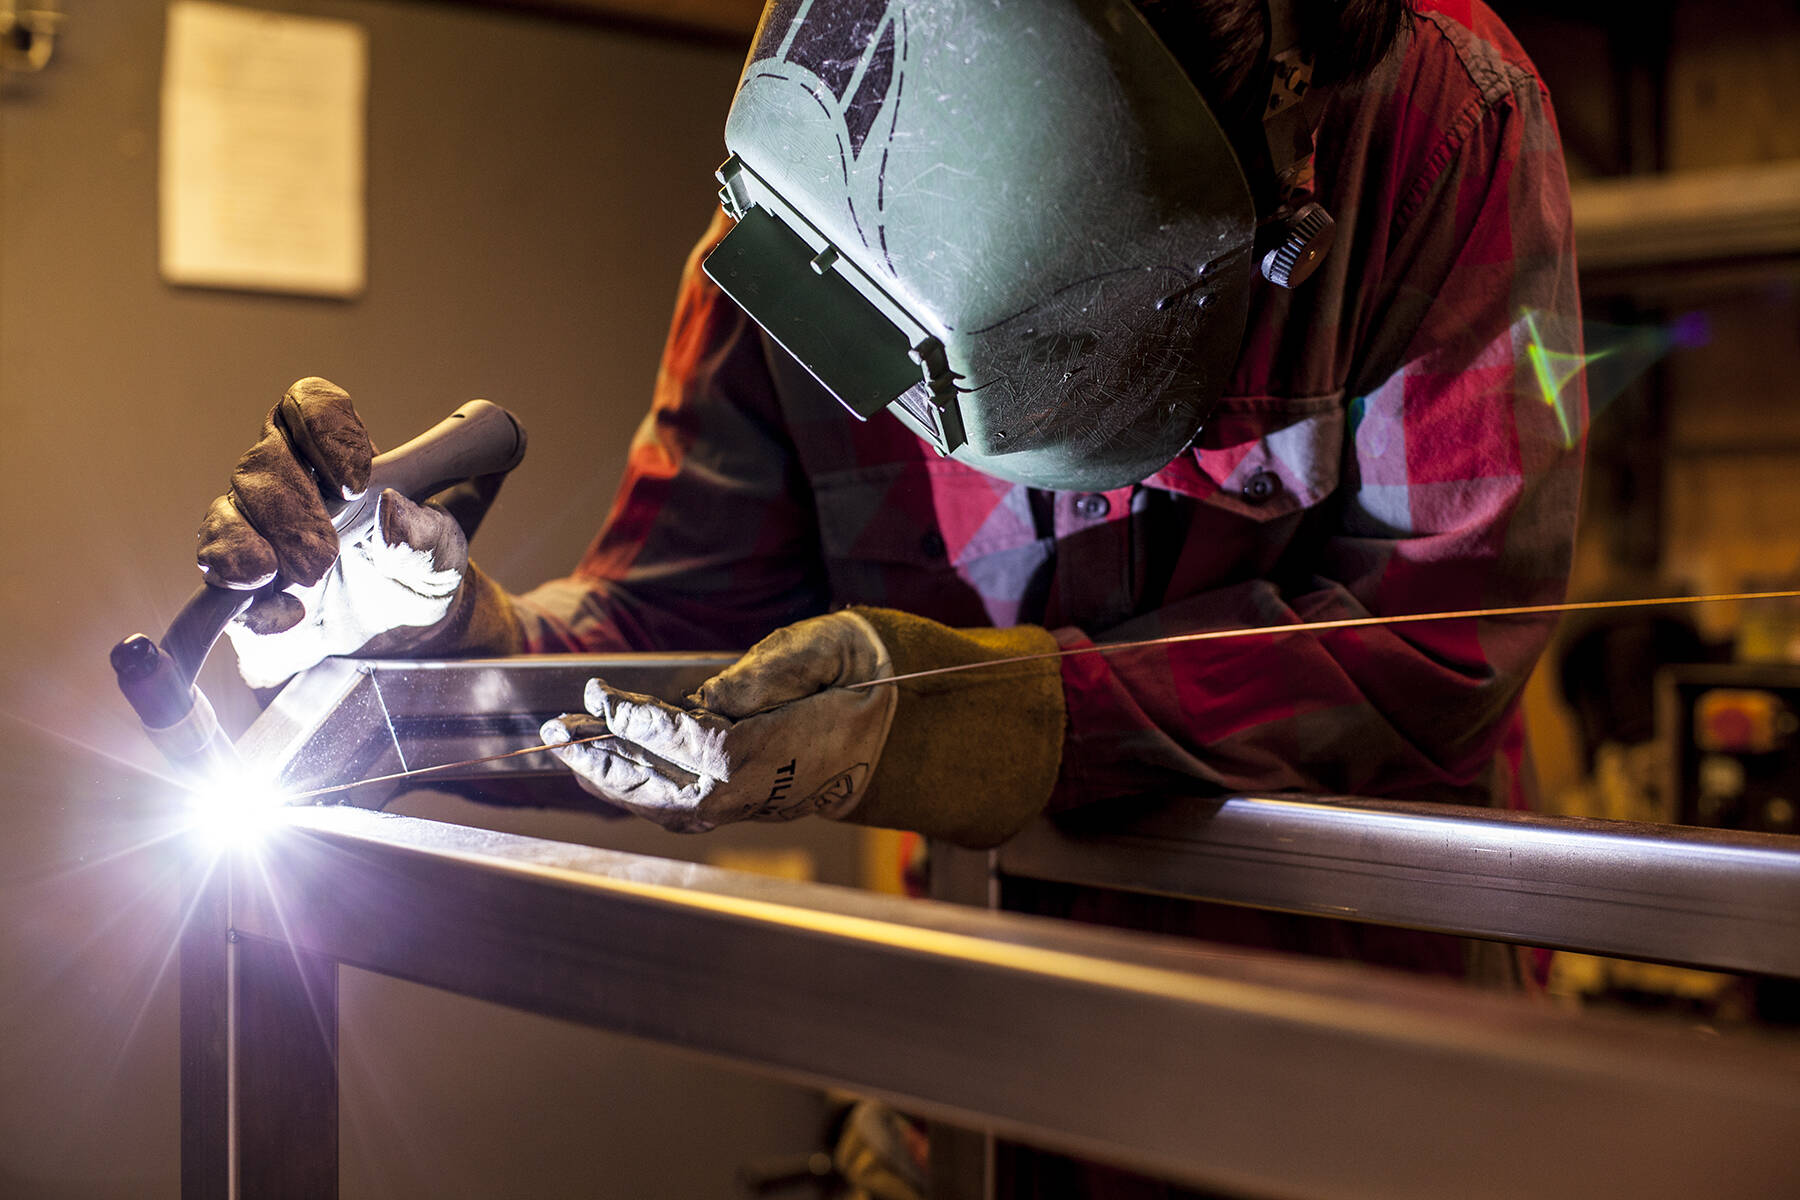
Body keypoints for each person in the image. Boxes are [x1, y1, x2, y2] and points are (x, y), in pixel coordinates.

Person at [200, 0, 1582, 929]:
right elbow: (661, 655)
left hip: (1341, 1047)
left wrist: (977, 717)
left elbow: (1435, 654)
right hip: (980, 1009)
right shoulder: (814, 209)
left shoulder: (1438, 130)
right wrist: (430, 642)